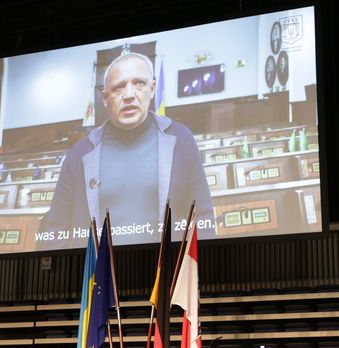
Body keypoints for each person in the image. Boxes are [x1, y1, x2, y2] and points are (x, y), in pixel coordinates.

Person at [37, 52, 214, 249]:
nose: (129, 95)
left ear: (152, 88)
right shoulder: (79, 153)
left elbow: (203, 218)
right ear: (105, 98)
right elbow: (55, 231)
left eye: (139, 83)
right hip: (97, 277)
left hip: (168, 274)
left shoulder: (181, 139)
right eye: (118, 87)